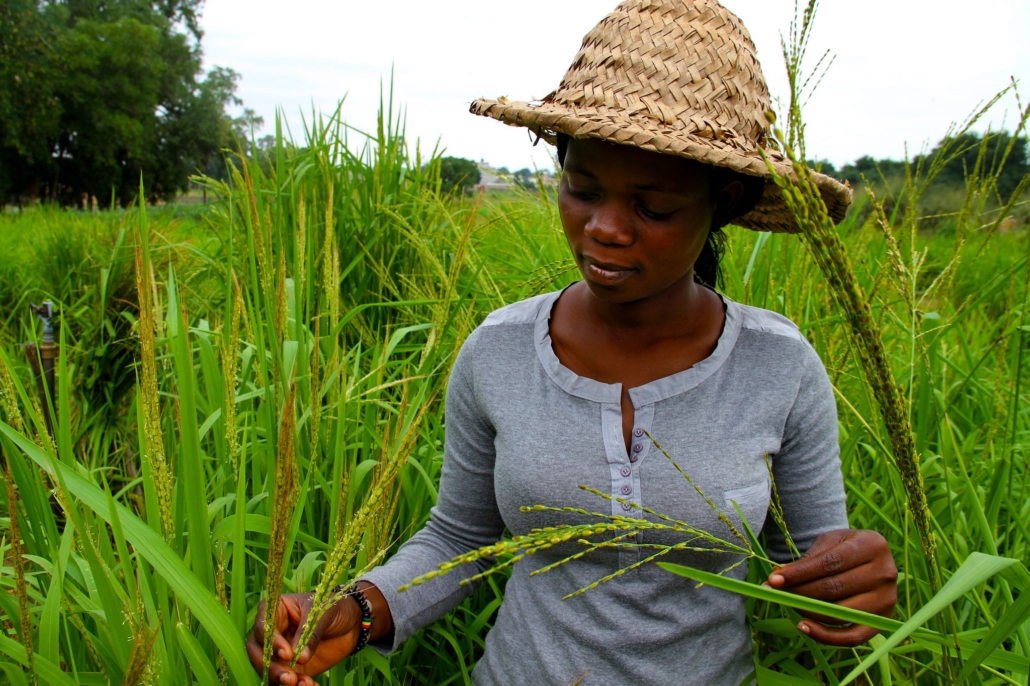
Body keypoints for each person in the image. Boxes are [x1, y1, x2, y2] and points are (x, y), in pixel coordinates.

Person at [247, 1, 898, 683]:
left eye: (654, 208)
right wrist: (357, 607)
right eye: (581, 190)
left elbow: (817, 556)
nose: (604, 229)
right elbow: (461, 539)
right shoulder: (499, 351)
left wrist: (852, 585)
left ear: (725, 201)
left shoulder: (778, 364)